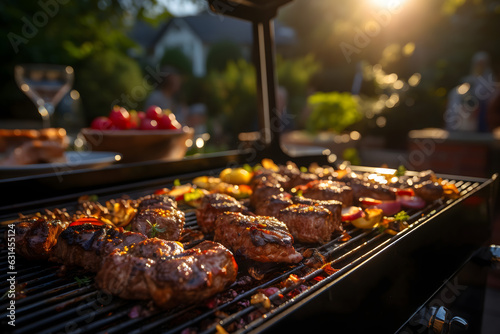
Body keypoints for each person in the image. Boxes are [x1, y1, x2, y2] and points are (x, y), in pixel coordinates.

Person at [444, 51, 496, 132]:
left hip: (482, 112)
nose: (479, 67)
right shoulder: (469, 79)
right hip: (469, 106)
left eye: (482, 64)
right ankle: (453, 125)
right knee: (454, 95)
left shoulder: (490, 81)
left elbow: (490, 99)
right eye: (478, 64)